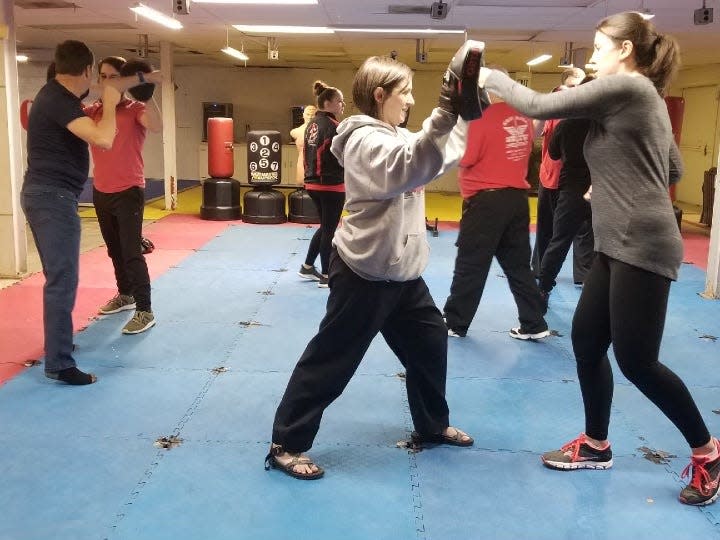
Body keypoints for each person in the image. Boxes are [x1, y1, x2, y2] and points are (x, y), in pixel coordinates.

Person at [478, 11, 720, 505]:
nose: (590, 58)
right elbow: (672, 164)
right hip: (616, 239)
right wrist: (609, 183)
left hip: (642, 243)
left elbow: (537, 105)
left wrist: (489, 74)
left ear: (625, 49)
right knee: (587, 342)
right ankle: (595, 444)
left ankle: (708, 452)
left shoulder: (629, 89)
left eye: (597, 48)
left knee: (638, 362)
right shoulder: (638, 99)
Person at [266, 41, 487, 479]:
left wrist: (461, 113)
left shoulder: (399, 136)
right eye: (404, 92)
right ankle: (286, 442)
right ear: (380, 95)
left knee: (430, 346)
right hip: (364, 272)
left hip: (403, 276)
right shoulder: (363, 140)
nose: (411, 100)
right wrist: (445, 112)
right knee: (333, 359)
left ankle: (431, 426)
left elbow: (437, 154)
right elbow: (408, 167)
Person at [20, 40, 156, 385]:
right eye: (96, 76)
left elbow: (111, 96)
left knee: (63, 276)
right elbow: (104, 139)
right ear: (84, 71)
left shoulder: (59, 96)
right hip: (53, 197)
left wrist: (128, 87)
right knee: (63, 280)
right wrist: (111, 102)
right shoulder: (59, 101)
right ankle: (60, 363)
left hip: (58, 195)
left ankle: (61, 347)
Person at [443, 67, 549, 341]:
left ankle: (455, 322)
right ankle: (534, 323)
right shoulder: (523, 119)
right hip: (516, 200)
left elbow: (466, 158)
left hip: (485, 202)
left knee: (471, 264)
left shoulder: (481, 117)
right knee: (518, 266)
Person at [85, 57, 162, 334]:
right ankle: (125, 295)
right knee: (114, 249)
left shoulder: (134, 109)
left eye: (113, 77)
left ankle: (145, 310)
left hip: (129, 190)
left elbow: (156, 126)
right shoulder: (93, 111)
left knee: (131, 252)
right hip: (101, 189)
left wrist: (147, 92)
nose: (107, 82)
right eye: (103, 76)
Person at [536, 75, 595, 298]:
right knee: (598, 245)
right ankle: (597, 292)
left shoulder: (567, 124)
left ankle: (542, 290)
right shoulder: (608, 125)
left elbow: (554, 153)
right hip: (601, 189)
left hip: (571, 190)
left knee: (558, 241)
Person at [297, 81, 346, 288]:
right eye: (339, 101)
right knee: (330, 230)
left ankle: (307, 267)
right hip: (330, 184)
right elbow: (343, 155)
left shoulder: (311, 124)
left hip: (313, 184)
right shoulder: (334, 126)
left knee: (326, 226)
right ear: (327, 103)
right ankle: (327, 275)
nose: (343, 105)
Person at [289, 104, 317, 184]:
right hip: (302, 163)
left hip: (316, 165)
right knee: (302, 186)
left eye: (313, 115)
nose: (310, 117)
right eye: (308, 114)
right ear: (303, 115)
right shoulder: (296, 132)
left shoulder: (321, 130)